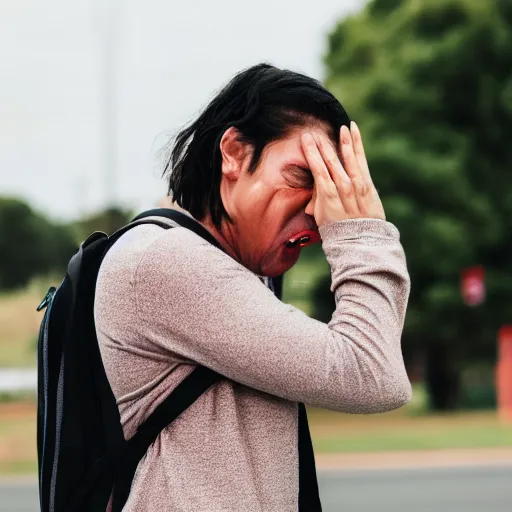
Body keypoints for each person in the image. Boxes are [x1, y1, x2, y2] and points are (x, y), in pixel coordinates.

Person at [94, 63, 412, 511]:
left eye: (334, 185)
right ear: (235, 153)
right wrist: (363, 232)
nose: (322, 210)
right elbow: (372, 374)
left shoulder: (230, 266)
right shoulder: (164, 261)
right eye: (304, 176)